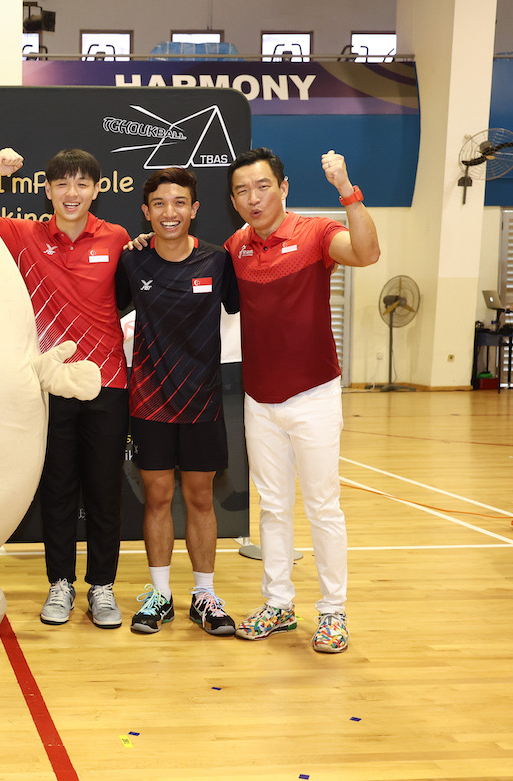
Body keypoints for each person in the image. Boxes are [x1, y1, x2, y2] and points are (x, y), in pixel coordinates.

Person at [0, 148, 130, 629]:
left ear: (98, 189)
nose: (72, 194)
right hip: (50, 386)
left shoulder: (117, 238)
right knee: (56, 490)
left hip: (108, 383)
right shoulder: (27, 235)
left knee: (103, 493)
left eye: (82, 184)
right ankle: (61, 584)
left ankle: (102, 587)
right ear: (48, 190)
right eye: (62, 184)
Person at [225, 148, 379, 653]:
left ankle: (333, 613)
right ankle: (278, 603)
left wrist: (347, 191)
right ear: (233, 200)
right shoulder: (234, 247)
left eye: (262, 186)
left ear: (283, 188)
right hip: (259, 399)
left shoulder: (315, 234)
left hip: (313, 394)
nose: (254, 198)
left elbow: (367, 253)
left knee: (322, 507)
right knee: (272, 507)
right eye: (243, 190)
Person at [115, 168, 239, 637]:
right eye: (160, 205)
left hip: (203, 403)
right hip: (149, 402)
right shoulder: (132, 262)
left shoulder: (218, 261)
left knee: (201, 498)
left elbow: (247, 307)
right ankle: (160, 594)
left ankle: (204, 596)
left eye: (180, 203)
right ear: (146, 213)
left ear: (195, 209)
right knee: (159, 498)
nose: (171, 212)